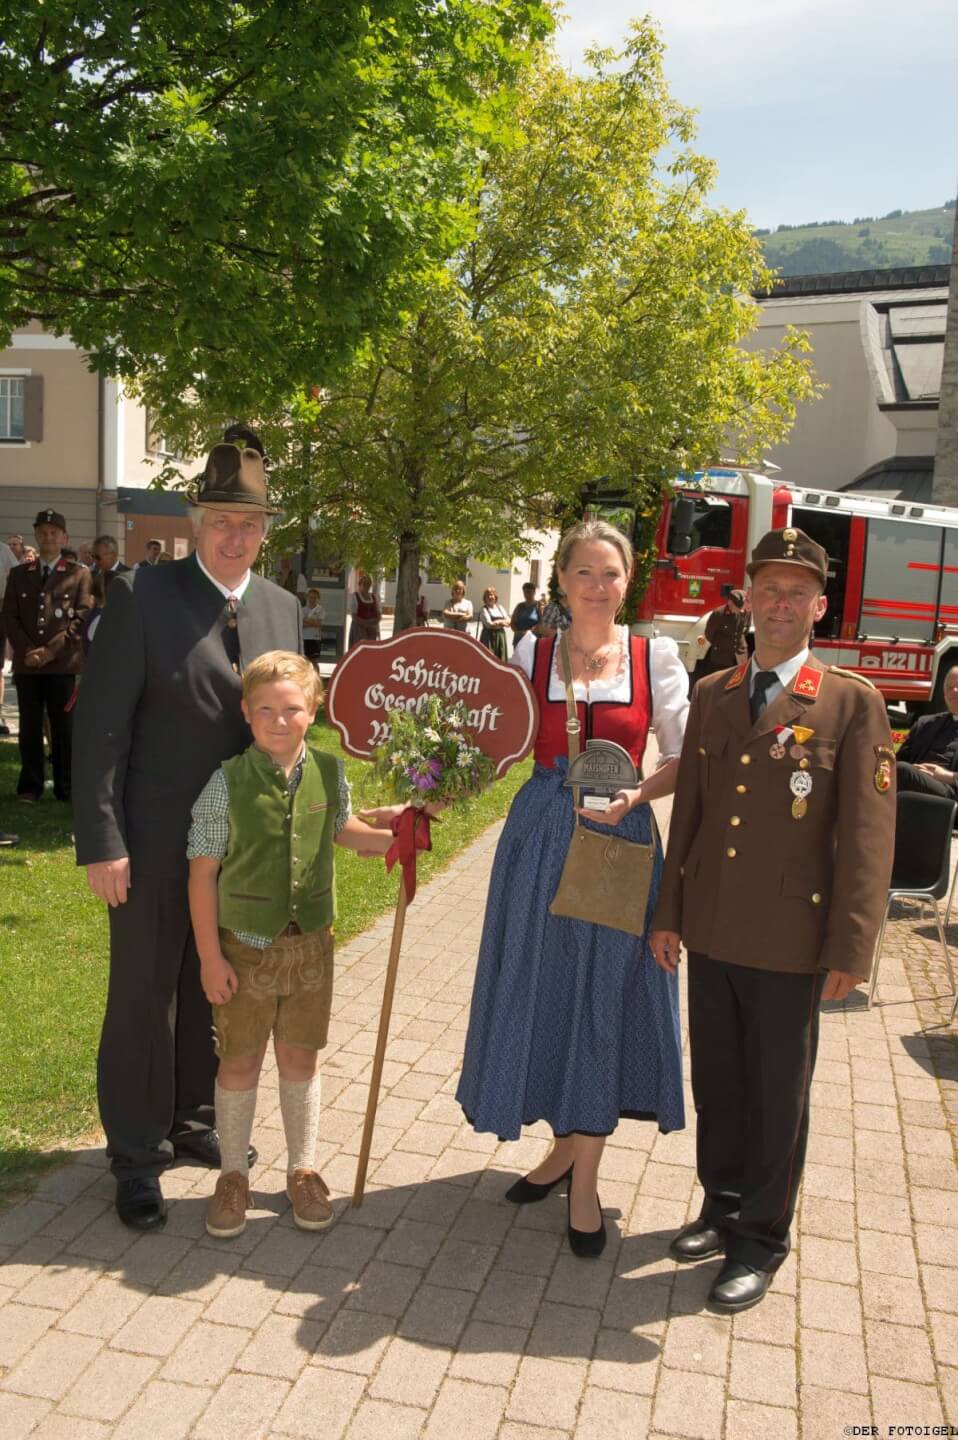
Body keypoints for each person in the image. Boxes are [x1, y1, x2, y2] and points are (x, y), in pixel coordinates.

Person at [650, 527, 895, 1314]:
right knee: (719, 1082)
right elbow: (691, 813)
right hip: (713, 925)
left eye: (797, 592)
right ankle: (721, 1206)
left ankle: (760, 1237)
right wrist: (669, 913)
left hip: (793, 939)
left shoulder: (851, 703)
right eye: (769, 589)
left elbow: (868, 835)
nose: (781, 604)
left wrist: (852, 946)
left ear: (819, 606)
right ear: (748, 599)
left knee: (777, 1092)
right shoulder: (716, 693)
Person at [72, 438, 302, 1233]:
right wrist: (103, 838)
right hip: (152, 840)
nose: (236, 536)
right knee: (144, 994)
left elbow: (287, 726)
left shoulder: (281, 608)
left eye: (250, 523)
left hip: (242, 850)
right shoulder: (142, 594)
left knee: (217, 985)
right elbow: (102, 729)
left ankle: (194, 1118)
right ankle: (137, 1154)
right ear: (197, 521)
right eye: (221, 520)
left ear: (264, 530)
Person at [457, 520, 688, 1259]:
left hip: (618, 839)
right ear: (560, 579)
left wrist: (636, 796)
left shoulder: (655, 659)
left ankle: (584, 1180)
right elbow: (494, 741)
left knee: (601, 998)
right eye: (583, 571)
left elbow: (685, 759)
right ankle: (562, 1149)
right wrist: (428, 783)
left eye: (609, 572)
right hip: (539, 838)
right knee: (548, 987)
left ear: (628, 581)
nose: (596, 585)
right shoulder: (532, 652)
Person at [187, 650, 394, 1237]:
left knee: (300, 1057)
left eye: (293, 709)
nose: (279, 721)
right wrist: (210, 958)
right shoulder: (225, 783)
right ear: (246, 713)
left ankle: (302, 1169)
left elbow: (342, 828)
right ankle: (233, 1175)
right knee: (240, 1060)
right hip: (244, 951)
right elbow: (201, 874)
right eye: (266, 710)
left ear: (314, 711)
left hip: (311, 949)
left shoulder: (329, 772)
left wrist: (394, 837)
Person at [1, 508, 92, 803]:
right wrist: (29, 651)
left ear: (65, 537)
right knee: (29, 728)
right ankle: (30, 786)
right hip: (28, 665)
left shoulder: (79, 574)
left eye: (54, 533)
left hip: (62, 664)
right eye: (42, 532)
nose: (48, 537)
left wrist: (50, 651)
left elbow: (81, 617)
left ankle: (66, 786)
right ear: (36, 535)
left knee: (64, 729)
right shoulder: (19, 574)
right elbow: (9, 616)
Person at [895, 667, 958, 798]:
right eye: (949, 687)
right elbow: (898, 759)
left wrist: (948, 776)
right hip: (916, 782)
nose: (953, 691)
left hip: (951, 791)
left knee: (902, 771)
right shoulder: (925, 723)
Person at [691, 589, 749, 686]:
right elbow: (709, 634)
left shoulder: (745, 612)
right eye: (737, 607)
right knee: (719, 684)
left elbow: (745, 629)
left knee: (737, 684)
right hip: (721, 657)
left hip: (739, 656)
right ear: (730, 603)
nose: (739, 610)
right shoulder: (718, 614)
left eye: (740, 607)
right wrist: (720, 645)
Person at [348, 573, 381, 646]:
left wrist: (374, 624)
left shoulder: (374, 596)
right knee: (360, 647)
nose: (367, 586)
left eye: (368, 584)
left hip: (372, 629)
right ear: (360, 585)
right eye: (365, 584)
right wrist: (366, 625)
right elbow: (354, 616)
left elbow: (378, 614)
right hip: (359, 629)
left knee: (371, 648)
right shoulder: (355, 596)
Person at [478, 586, 510, 660]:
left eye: (492, 595)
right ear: (485, 598)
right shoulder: (484, 609)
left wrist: (497, 622)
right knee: (489, 659)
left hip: (500, 636)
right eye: (488, 595)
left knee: (500, 659)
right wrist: (502, 622)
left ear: (495, 597)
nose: (490, 597)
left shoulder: (500, 608)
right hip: (488, 637)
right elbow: (489, 624)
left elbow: (509, 621)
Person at [510, 582, 541, 648]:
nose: (527, 594)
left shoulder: (539, 606)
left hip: (533, 640)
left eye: (529, 592)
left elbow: (541, 623)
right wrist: (518, 632)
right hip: (519, 639)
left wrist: (529, 632)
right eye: (525, 592)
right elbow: (512, 623)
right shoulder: (519, 606)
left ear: (534, 592)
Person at [302, 587, 325, 664]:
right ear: (307, 598)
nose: (312, 599)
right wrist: (313, 622)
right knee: (304, 661)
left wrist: (305, 619)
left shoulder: (320, 610)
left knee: (314, 661)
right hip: (304, 638)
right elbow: (301, 625)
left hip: (315, 638)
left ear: (318, 599)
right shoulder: (303, 610)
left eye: (315, 598)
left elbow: (318, 624)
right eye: (310, 597)